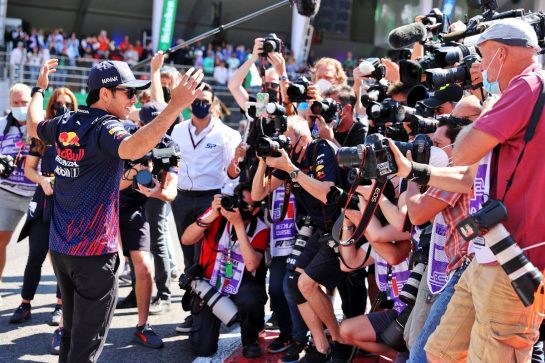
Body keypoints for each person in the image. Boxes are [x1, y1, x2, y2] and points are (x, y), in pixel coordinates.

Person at [27, 58, 204, 362]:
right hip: (94, 255)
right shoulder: (106, 126)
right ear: (105, 94)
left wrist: (39, 90)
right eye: (128, 93)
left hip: (62, 250)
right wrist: (174, 107)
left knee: (71, 335)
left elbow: (33, 125)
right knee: (85, 345)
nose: (134, 100)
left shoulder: (67, 121)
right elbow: (132, 148)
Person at [390, 19, 545, 362]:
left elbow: (464, 149)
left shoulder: (528, 85)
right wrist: (414, 170)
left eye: (482, 54)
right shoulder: (520, 92)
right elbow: (469, 176)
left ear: (501, 53)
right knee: (438, 352)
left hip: (513, 256)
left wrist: (485, 108)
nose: (476, 65)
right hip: (486, 252)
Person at [170, 81, 240, 333]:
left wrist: (223, 203)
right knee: (188, 254)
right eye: (196, 100)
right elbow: (170, 161)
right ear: (189, 103)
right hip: (182, 198)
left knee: (208, 255)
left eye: (206, 101)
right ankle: (194, 310)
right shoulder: (177, 130)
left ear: (213, 104)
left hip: (210, 199)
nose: (200, 104)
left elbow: (232, 175)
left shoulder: (227, 135)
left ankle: (209, 309)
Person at [8, 87, 77, 326]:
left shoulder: (80, 133)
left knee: (63, 259)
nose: (63, 108)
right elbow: (29, 168)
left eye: (67, 103)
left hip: (69, 202)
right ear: (50, 106)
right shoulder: (41, 134)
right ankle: (25, 303)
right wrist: (42, 180)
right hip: (43, 198)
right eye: (58, 104)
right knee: (35, 254)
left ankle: (61, 306)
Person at [115, 104, 180, 348]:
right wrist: (134, 171)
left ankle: (143, 326)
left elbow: (172, 190)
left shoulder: (168, 147)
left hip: (134, 210)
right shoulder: (123, 137)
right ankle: (75, 324)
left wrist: (157, 192)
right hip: (107, 207)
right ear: (141, 125)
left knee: (144, 269)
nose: (158, 131)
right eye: (152, 126)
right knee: (104, 269)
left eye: (162, 125)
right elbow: (113, 187)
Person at [181, 184, 269, 358]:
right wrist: (212, 213)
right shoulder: (217, 216)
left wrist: (238, 225)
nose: (239, 207)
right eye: (238, 201)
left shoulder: (260, 228)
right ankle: (199, 325)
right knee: (203, 349)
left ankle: (251, 339)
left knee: (251, 298)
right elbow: (186, 239)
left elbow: (251, 265)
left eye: (246, 205)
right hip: (211, 282)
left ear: (256, 209)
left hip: (240, 283)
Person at [0, 83, 35, 298]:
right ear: (9, 103)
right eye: (16, 103)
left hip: (37, 193)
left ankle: (60, 301)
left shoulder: (41, 124)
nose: (20, 107)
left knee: (47, 247)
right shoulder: (2, 125)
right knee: (0, 240)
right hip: (6, 193)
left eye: (25, 102)